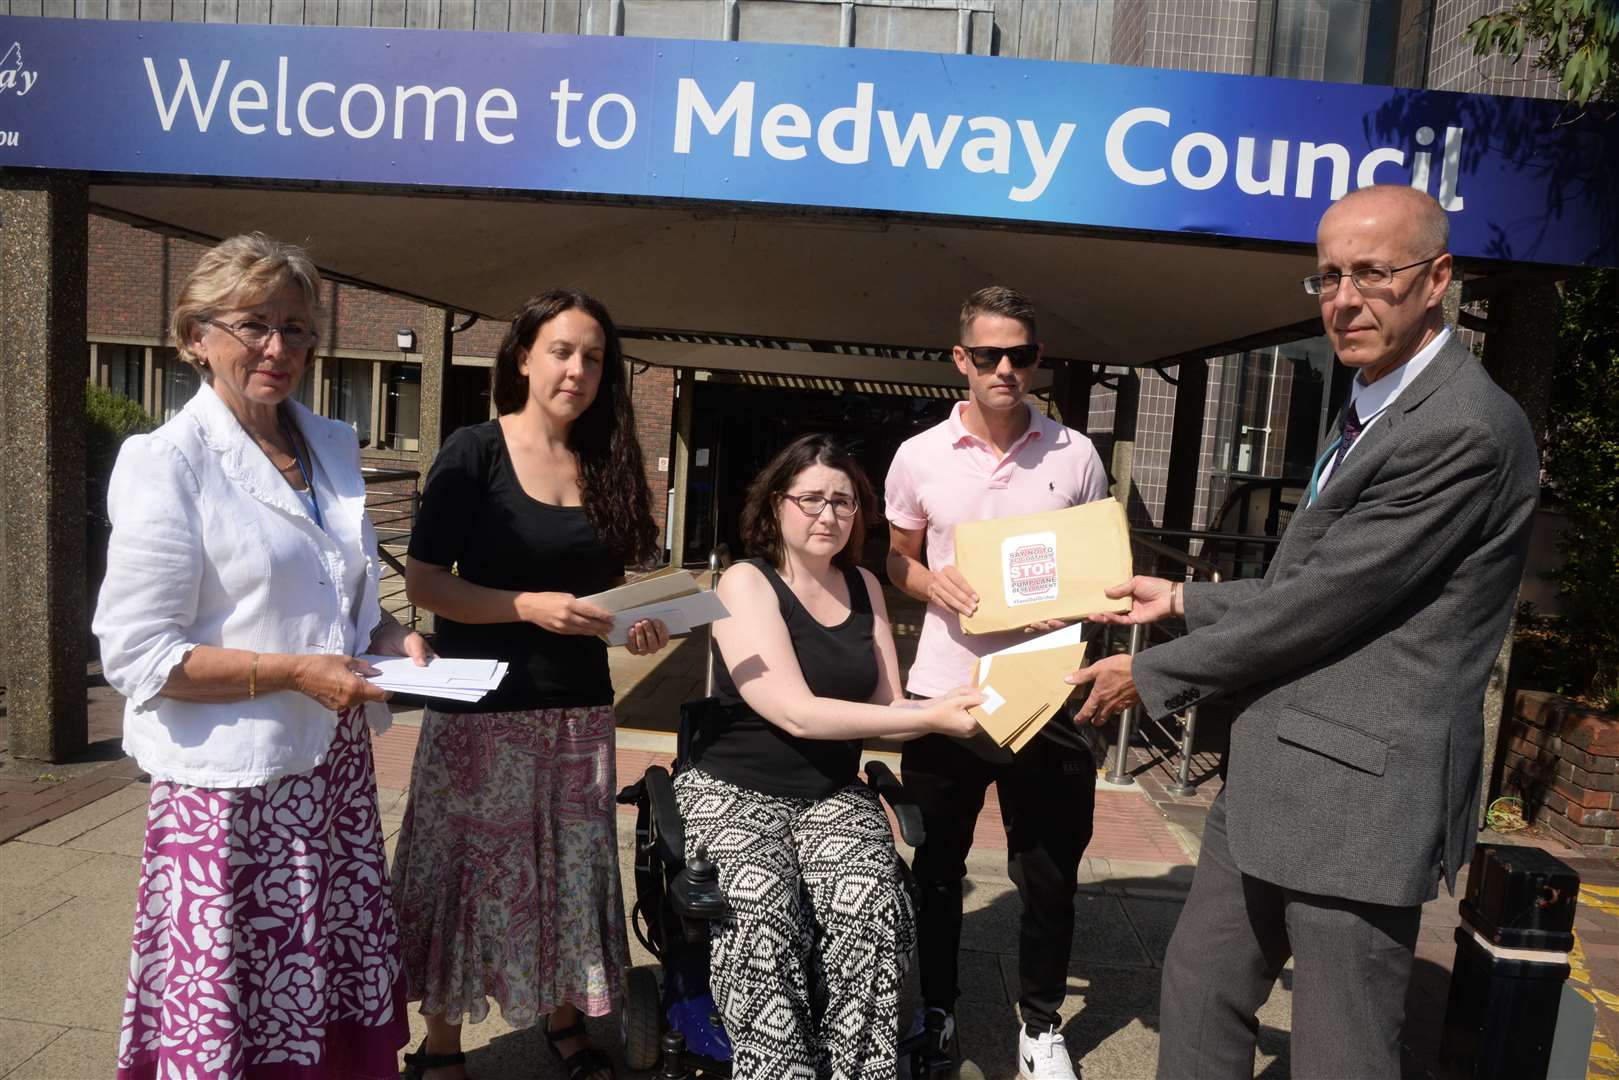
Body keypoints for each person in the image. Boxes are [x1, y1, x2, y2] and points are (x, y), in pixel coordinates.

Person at [1068, 185, 1540, 1079]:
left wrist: (1156, 671)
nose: (1344, 299)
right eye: (1326, 277)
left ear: (1436, 279)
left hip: (1359, 797)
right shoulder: (1372, 398)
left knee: (1340, 1051)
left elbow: (1326, 602)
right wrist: (1179, 599)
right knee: (1200, 988)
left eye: (1373, 273)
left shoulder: (1462, 429)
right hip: (1273, 772)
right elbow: (1314, 580)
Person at [94, 233, 433, 1080]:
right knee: (236, 1020)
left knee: (325, 1007)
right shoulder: (167, 462)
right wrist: (292, 671)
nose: (279, 349)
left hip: (332, 774)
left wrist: (389, 637)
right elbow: (139, 656)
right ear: (194, 336)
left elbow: (335, 594)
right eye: (253, 325)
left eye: (296, 328)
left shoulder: (330, 443)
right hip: (232, 797)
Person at [391, 289, 670, 1080]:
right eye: (560, 349)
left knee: (567, 874)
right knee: (468, 874)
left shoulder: (608, 461)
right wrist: (523, 607)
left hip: (578, 712)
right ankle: (439, 1045)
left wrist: (638, 624)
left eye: (592, 355)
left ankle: (563, 1022)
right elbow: (425, 584)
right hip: (482, 710)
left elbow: (608, 593)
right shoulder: (473, 450)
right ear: (522, 356)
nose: (576, 369)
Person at [678, 433, 984, 1079]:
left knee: (871, 905)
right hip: (735, 786)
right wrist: (925, 716)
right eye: (811, 499)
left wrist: (961, 703)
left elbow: (889, 710)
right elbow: (792, 709)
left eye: (843, 503)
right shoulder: (744, 582)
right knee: (757, 907)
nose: (828, 516)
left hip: (828, 791)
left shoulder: (864, 584)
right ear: (775, 506)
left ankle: (861, 1069)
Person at [884, 286, 1110, 1079]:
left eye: (1018, 354)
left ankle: (1040, 1024)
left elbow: (1096, 566)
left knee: (1047, 873)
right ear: (961, 360)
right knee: (936, 867)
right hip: (945, 691)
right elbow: (895, 557)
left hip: (1045, 693)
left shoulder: (1074, 453)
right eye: (987, 355)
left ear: (1037, 360)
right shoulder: (918, 455)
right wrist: (927, 584)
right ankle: (936, 1008)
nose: (1003, 368)